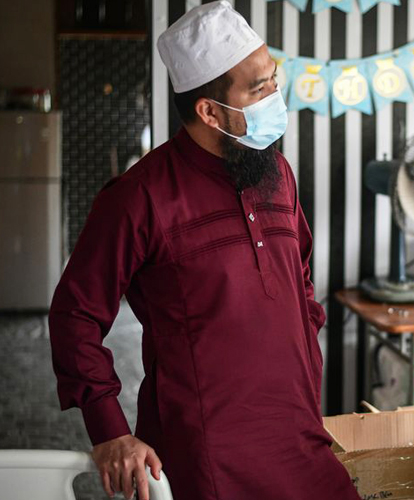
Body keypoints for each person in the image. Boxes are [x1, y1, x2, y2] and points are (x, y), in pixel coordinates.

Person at [48, 3, 360, 500]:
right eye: (258, 89)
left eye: (273, 80)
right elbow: (75, 315)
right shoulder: (139, 196)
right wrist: (109, 430)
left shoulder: (277, 174)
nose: (275, 97)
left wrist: (305, 366)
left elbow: (299, 283)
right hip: (205, 457)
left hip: (298, 435)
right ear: (210, 111)